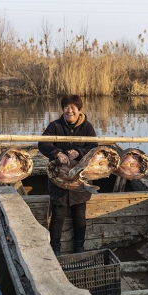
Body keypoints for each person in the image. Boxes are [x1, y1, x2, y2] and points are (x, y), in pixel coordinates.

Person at [38, 94, 98, 256]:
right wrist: (57, 153)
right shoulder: (55, 126)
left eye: (73, 108)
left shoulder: (87, 127)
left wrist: (79, 152)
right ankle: (55, 248)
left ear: (80, 110)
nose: (69, 111)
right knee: (58, 215)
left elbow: (93, 147)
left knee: (79, 215)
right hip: (59, 178)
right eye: (66, 107)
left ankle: (79, 247)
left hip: (80, 178)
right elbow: (43, 143)